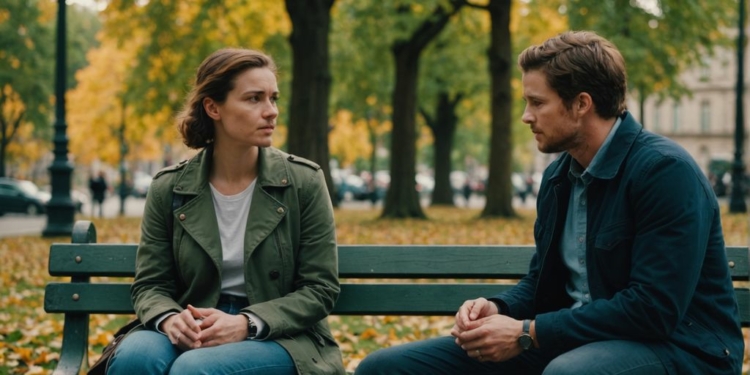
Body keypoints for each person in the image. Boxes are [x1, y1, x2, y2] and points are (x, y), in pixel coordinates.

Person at [355, 31, 743, 375]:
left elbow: (653, 310)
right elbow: (543, 285)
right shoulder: (559, 176)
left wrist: (528, 333)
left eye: (538, 103)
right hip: (571, 345)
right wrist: (499, 309)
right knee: (385, 367)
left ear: (581, 104)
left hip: (682, 350)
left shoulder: (663, 172)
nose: (526, 116)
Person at [107, 48, 345, 375]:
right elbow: (150, 284)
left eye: (273, 98)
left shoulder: (303, 181)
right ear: (213, 107)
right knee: (135, 358)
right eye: (254, 99)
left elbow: (320, 289)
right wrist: (170, 319)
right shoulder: (170, 187)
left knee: (193, 369)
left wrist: (246, 323)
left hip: (282, 335)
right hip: (194, 321)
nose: (271, 111)